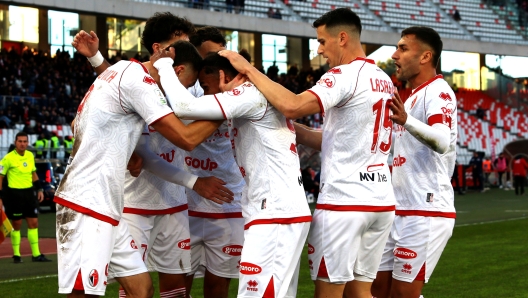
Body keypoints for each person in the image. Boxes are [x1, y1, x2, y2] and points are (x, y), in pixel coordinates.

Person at [220, 8, 396, 298]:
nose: (319, 49)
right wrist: (287, 128)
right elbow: (335, 140)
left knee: (328, 293)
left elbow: (292, 105)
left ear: (342, 38)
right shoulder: (383, 78)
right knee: (361, 292)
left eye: (323, 41)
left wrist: (249, 70)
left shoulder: (343, 75)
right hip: (381, 202)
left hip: (345, 202)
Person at [57, 31, 231, 298]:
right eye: (185, 85)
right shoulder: (140, 82)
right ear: (178, 69)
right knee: (84, 293)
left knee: (142, 289)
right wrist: (229, 105)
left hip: (109, 204)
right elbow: (186, 139)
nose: (181, 93)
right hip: (87, 202)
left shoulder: (125, 71)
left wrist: (131, 151)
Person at [154, 50, 312, 298]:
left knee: (255, 294)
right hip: (280, 209)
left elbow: (185, 107)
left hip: (274, 211)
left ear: (221, 75)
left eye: (206, 86)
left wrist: (163, 65)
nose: (206, 93)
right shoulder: (259, 95)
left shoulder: (247, 94)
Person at [371, 26, 457, 298]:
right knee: (373, 290)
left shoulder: (438, 91)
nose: (395, 55)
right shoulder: (411, 97)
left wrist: (407, 121)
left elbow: (442, 141)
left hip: (426, 210)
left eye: (403, 48)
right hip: (397, 210)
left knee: (402, 295)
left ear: (425, 57)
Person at [186, 26, 246, 298]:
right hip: (184, 203)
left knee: (217, 289)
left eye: (223, 54)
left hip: (227, 201)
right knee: (176, 288)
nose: (219, 62)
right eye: (211, 55)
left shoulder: (238, 89)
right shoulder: (184, 90)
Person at [0, 132, 51, 263]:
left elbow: (33, 173)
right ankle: (16, 255)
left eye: (25, 141)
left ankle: (36, 254)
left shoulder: (30, 155)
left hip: (29, 194)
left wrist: (39, 188)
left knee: (33, 223)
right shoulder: (7, 158)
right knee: (16, 224)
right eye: (20, 141)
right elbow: (0, 177)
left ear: (27, 143)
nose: (22, 144)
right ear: (15, 142)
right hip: (14, 195)